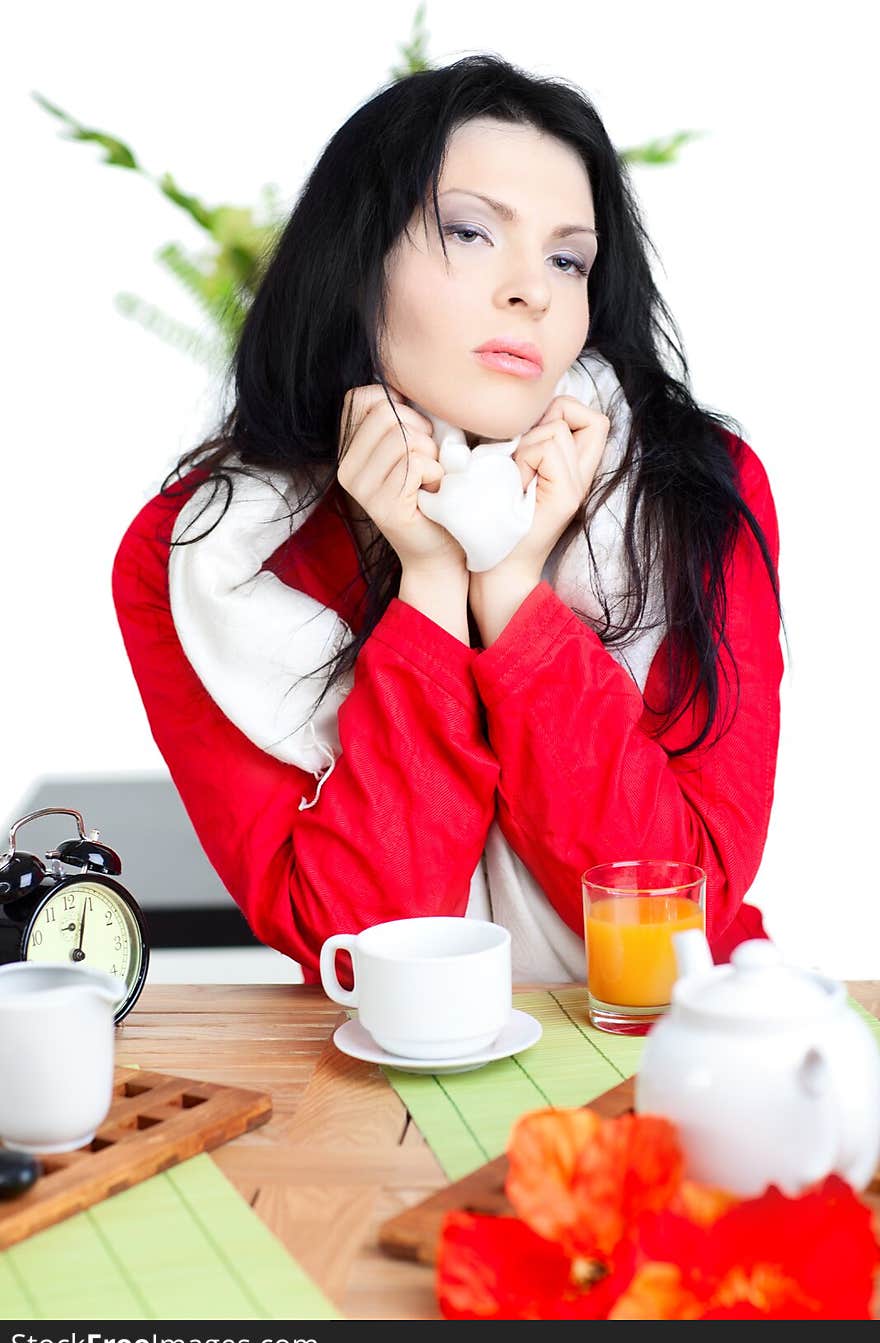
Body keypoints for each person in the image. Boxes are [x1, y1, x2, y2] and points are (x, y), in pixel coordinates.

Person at [111, 55, 785, 988]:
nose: (532, 291)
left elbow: (682, 924)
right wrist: (429, 589)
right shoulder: (200, 558)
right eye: (470, 232)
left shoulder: (697, 493)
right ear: (357, 263)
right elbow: (362, 943)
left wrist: (511, 589)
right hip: (380, 1083)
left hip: (672, 1051)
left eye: (567, 258)